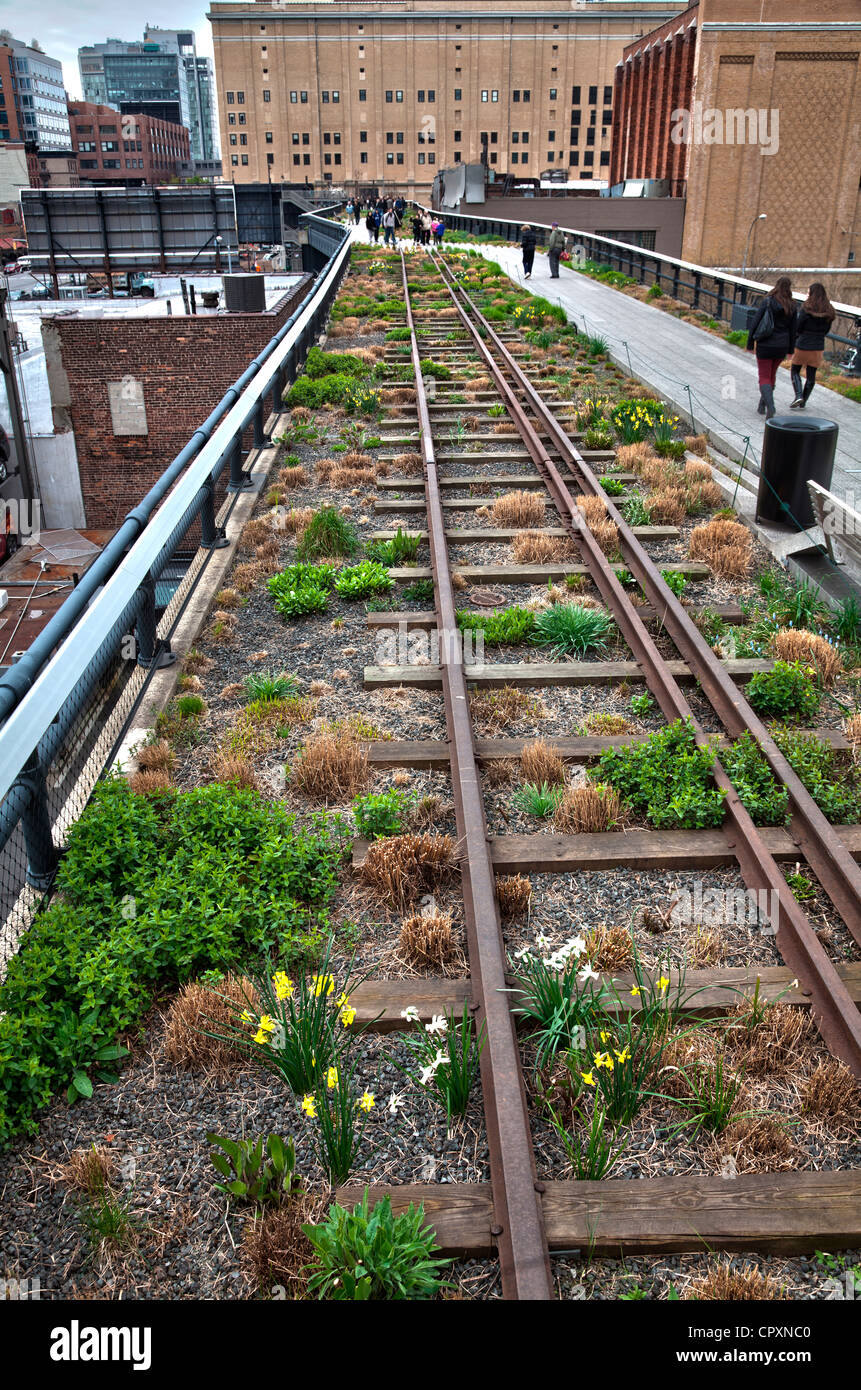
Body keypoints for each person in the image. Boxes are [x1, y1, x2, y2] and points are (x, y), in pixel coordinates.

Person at [746, 275, 795, 419]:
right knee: (771, 375)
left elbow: (755, 322)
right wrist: (791, 350)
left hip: (766, 344)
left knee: (764, 376)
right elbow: (793, 330)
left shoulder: (768, 301)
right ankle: (763, 405)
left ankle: (770, 406)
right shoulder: (792, 305)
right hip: (782, 346)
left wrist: (750, 343)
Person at [790, 282, 835, 409]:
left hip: (803, 344)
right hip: (818, 346)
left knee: (795, 370)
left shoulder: (806, 308)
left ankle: (798, 395)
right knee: (811, 374)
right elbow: (827, 330)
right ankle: (804, 401)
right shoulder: (829, 310)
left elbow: (799, 326)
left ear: (812, 294)